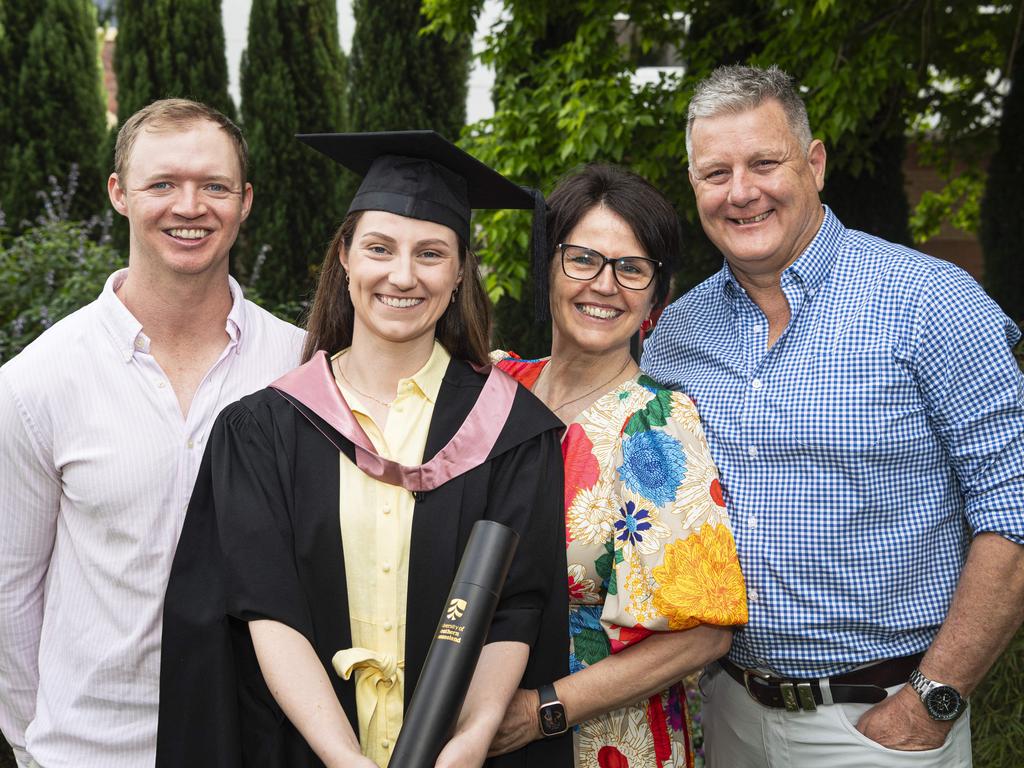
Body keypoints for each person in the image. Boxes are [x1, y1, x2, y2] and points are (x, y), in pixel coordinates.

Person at [641, 64, 1024, 767]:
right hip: (727, 712)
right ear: (694, 186)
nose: (742, 192)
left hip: (882, 723)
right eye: (715, 173)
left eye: (764, 162)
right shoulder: (674, 337)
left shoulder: (931, 301)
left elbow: (1016, 507)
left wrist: (930, 702)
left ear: (814, 163)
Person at [155, 131, 572, 768]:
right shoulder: (262, 430)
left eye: (431, 253)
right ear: (345, 256)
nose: (402, 276)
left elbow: (517, 606)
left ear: (460, 270)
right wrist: (342, 758)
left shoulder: (512, 430)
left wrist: (473, 735)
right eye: (379, 248)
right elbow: (266, 609)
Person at [0, 99, 304, 768]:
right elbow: (9, 592)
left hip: (257, 745)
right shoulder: (39, 382)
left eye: (214, 186)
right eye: (162, 183)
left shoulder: (300, 366)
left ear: (246, 200)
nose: (189, 206)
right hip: (95, 751)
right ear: (119, 193)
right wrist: (36, 742)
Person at [490, 164, 747, 767]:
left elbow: (705, 631)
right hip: (475, 725)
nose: (604, 285)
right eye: (582, 258)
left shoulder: (656, 423)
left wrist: (541, 710)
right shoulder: (494, 387)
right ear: (548, 267)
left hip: (606, 740)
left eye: (631, 269)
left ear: (656, 296)